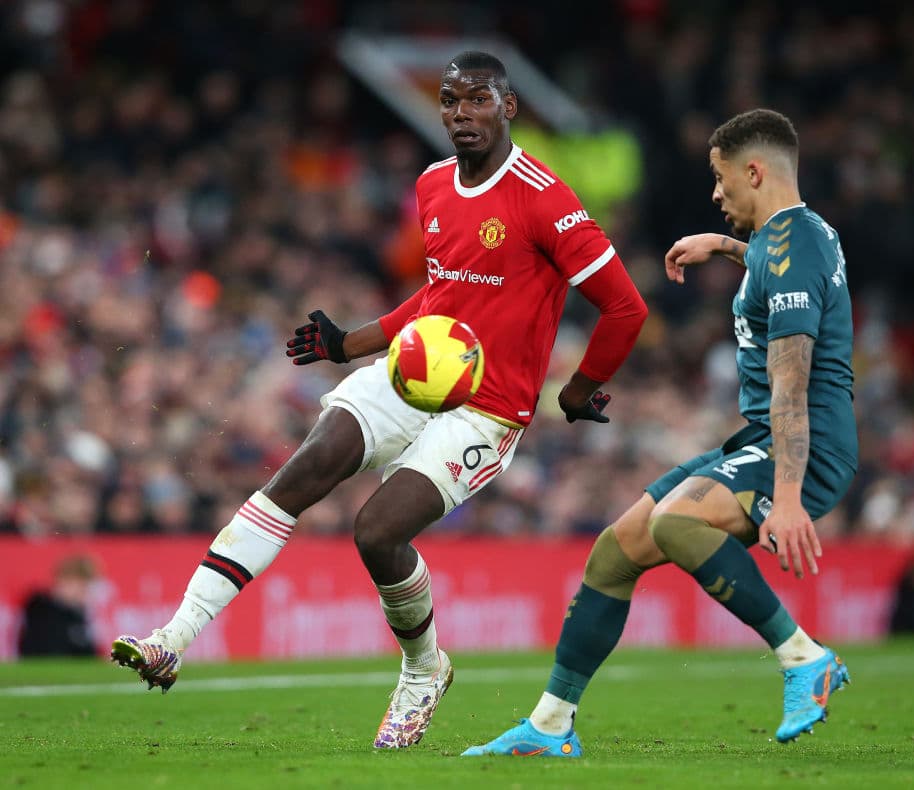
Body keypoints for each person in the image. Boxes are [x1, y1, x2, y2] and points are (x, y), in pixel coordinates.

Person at [110, 51, 648, 750]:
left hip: (487, 408)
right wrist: (350, 344)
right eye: (451, 101)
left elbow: (624, 307)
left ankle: (424, 670)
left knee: (377, 533)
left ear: (509, 107)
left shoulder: (545, 197)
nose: (462, 114)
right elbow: (439, 296)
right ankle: (172, 639)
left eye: (478, 100)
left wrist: (577, 390)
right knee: (304, 467)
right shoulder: (431, 186)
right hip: (410, 376)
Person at [463, 108, 857, 757]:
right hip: (763, 437)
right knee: (615, 550)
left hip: (803, 443)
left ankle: (802, 657)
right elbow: (779, 265)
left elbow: (791, 379)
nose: (716, 192)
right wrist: (726, 246)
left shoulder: (795, 246)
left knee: (679, 524)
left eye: (721, 179)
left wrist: (787, 498)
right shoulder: (801, 238)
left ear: (754, 171)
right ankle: (550, 724)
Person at [19, 554, 99, 657]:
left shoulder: (78, 615)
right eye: (82, 585)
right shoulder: (40, 608)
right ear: (63, 581)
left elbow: (87, 654)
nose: (85, 592)